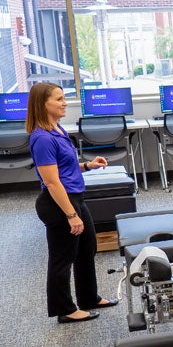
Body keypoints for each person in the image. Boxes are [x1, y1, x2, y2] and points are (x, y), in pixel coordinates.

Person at [26, 82, 117, 323]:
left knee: (87, 249)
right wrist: (70, 215)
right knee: (62, 258)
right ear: (43, 104)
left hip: (75, 197)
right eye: (59, 99)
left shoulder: (57, 129)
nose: (64, 102)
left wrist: (88, 165)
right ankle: (64, 309)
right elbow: (52, 182)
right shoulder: (42, 138)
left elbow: (64, 169)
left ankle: (88, 298)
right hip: (58, 204)